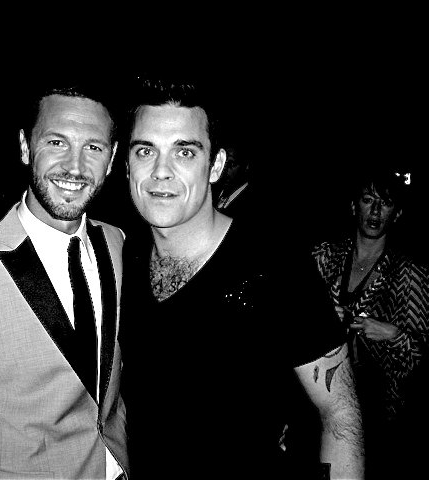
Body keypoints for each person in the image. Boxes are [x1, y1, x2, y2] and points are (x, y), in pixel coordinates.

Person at [118, 75, 365, 479]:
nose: (161, 171)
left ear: (215, 165)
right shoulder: (121, 257)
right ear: (126, 163)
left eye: (184, 152)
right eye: (146, 150)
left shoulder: (273, 266)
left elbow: (339, 412)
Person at [0, 76, 129, 479]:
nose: (75, 167)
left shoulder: (116, 243)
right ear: (25, 146)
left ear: (113, 157)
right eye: (56, 142)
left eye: (93, 147)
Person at [311, 167, 429, 479]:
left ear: (398, 213)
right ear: (354, 207)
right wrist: (321, 315)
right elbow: (287, 321)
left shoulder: (409, 274)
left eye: (385, 203)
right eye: (368, 200)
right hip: (316, 403)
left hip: (375, 416)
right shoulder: (324, 257)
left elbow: (420, 355)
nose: (375, 211)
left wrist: (393, 334)